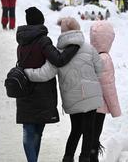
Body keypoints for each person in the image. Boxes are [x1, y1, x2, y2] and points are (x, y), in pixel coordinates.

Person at [25, 17, 103, 162]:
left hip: (72, 99)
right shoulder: (89, 48)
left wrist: (26, 73)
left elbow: (45, 73)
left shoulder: (57, 53)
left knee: (76, 129)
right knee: (89, 130)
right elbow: (100, 69)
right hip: (92, 95)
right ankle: (85, 158)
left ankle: (68, 158)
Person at [16, 8, 80, 162]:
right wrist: (74, 46)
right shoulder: (43, 40)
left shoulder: (21, 40)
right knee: (37, 131)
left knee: (28, 130)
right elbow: (58, 60)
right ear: (41, 21)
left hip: (25, 90)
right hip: (42, 92)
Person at [89, 21, 121, 162]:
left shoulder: (88, 55)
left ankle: (88, 156)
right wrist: (116, 110)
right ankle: (92, 158)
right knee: (95, 136)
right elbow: (108, 87)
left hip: (86, 103)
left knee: (88, 135)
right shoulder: (105, 59)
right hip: (99, 105)